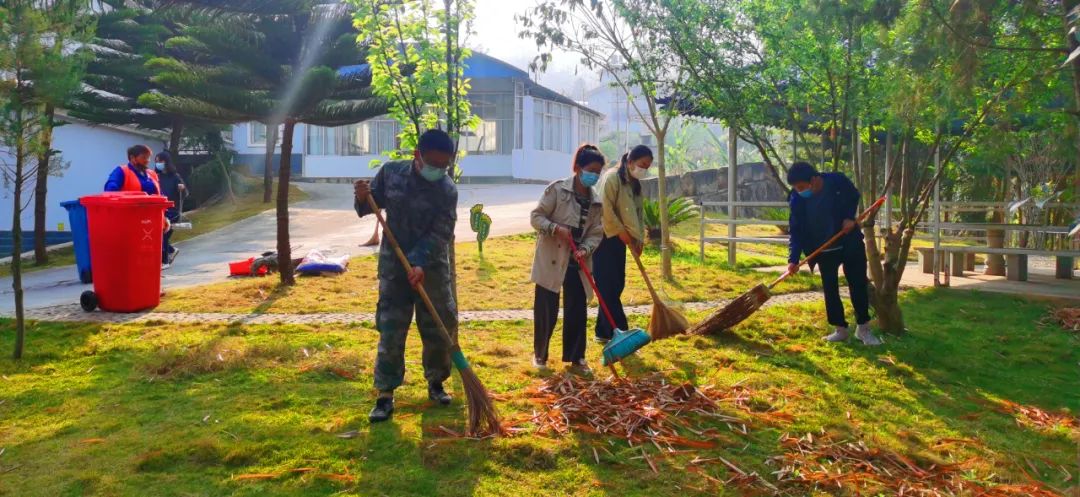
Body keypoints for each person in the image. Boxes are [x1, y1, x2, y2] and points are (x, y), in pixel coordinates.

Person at [353, 129, 459, 424]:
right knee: (391, 328)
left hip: (432, 268)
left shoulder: (447, 189)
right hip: (394, 267)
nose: (438, 170)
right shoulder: (391, 174)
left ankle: (436, 383)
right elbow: (370, 205)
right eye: (433, 163)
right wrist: (362, 197)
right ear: (417, 155)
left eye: (444, 165)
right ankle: (385, 393)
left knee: (438, 326)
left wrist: (420, 262)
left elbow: (442, 231)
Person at [786, 161, 882, 346]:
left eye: (801, 187)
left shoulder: (837, 181)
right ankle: (840, 329)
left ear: (814, 179)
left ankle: (863, 329)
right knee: (830, 289)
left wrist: (848, 217)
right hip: (824, 249)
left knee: (858, 284)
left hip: (849, 242)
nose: (799, 191)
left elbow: (853, 195)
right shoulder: (796, 199)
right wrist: (793, 259)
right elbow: (796, 230)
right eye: (796, 188)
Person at [530, 144, 606, 374]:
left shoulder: (596, 202)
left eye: (598, 172)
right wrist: (555, 228)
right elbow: (536, 217)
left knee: (577, 311)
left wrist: (585, 249)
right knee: (546, 310)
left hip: (578, 262)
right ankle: (540, 355)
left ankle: (577, 357)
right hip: (552, 258)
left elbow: (596, 233)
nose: (594, 175)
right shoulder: (557, 190)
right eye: (591, 170)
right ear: (578, 168)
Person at [593, 144, 651, 343]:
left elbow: (638, 214)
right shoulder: (612, 178)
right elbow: (604, 209)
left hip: (620, 241)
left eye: (647, 167)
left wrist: (638, 239)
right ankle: (622, 330)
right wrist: (620, 231)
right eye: (642, 164)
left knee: (616, 284)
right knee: (607, 286)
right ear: (630, 161)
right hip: (603, 238)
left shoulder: (635, 184)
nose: (644, 169)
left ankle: (603, 332)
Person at [104, 145, 170, 269]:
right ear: (132, 158)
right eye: (143, 157)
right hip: (130, 223)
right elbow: (110, 188)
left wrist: (164, 217)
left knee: (151, 257)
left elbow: (160, 197)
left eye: (148, 158)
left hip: (152, 222)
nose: (147, 161)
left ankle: (151, 279)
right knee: (133, 258)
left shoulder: (152, 174)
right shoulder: (122, 171)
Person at [155, 151, 188, 266]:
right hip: (160, 211)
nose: (158, 164)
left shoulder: (175, 177)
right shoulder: (156, 176)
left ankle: (165, 261)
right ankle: (171, 251)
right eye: (156, 161)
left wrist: (182, 189)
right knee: (159, 236)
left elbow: (185, 194)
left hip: (172, 211)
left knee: (162, 235)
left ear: (166, 162)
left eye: (160, 161)